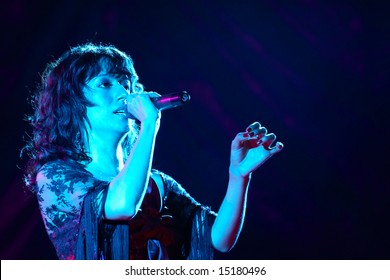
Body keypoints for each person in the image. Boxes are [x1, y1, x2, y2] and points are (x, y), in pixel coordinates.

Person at [22, 42, 283, 260]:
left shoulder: (155, 182)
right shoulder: (56, 177)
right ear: (71, 100)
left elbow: (218, 238)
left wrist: (238, 175)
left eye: (126, 84)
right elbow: (121, 205)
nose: (124, 94)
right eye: (105, 84)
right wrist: (149, 125)